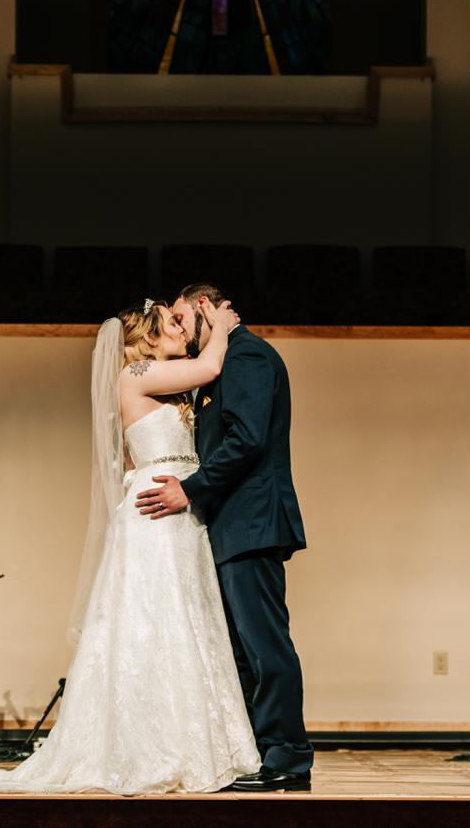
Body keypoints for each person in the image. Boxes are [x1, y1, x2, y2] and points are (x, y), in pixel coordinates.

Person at [0, 297, 258, 794]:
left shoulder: (167, 383)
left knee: (185, 622)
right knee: (157, 623)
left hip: (181, 515)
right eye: (170, 323)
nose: (181, 330)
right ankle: (154, 744)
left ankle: (194, 740)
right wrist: (223, 325)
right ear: (147, 338)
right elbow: (210, 364)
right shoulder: (136, 374)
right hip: (156, 516)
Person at [133, 282, 313, 792]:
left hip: (252, 521)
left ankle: (288, 758)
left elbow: (248, 439)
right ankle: (260, 752)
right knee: (240, 651)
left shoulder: (248, 355)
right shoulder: (225, 359)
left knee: (264, 646)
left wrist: (190, 490)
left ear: (204, 308)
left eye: (183, 321)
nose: (182, 335)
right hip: (232, 523)